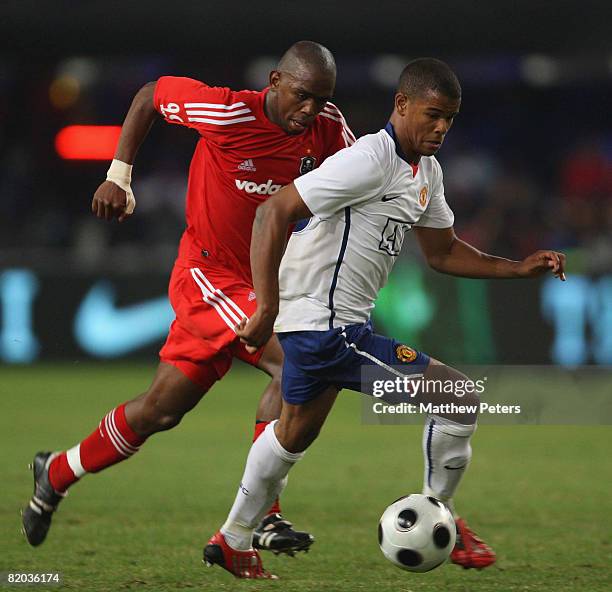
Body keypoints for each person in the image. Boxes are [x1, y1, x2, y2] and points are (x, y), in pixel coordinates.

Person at [206, 57, 567, 579]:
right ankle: (439, 514)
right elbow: (273, 211)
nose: (441, 127)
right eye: (433, 114)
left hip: (327, 325)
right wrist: (266, 306)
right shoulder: (370, 159)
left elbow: (442, 253)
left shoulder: (425, 172)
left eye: (451, 118)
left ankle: (233, 538)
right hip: (327, 327)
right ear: (402, 105)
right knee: (457, 396)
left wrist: (517, 267)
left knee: (291, 435)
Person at [21, 41, 355, 564]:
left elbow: (362, 182)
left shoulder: (329, 129)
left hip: (271, 282)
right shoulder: (225, 110)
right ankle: (263, 516)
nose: (310, 110)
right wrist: (118, 175)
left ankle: (56, 472)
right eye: (303, 96)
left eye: (321, 99)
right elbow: (151, 95)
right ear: (274, 81)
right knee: (297, 362)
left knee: (159, 410)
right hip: (210, 276)